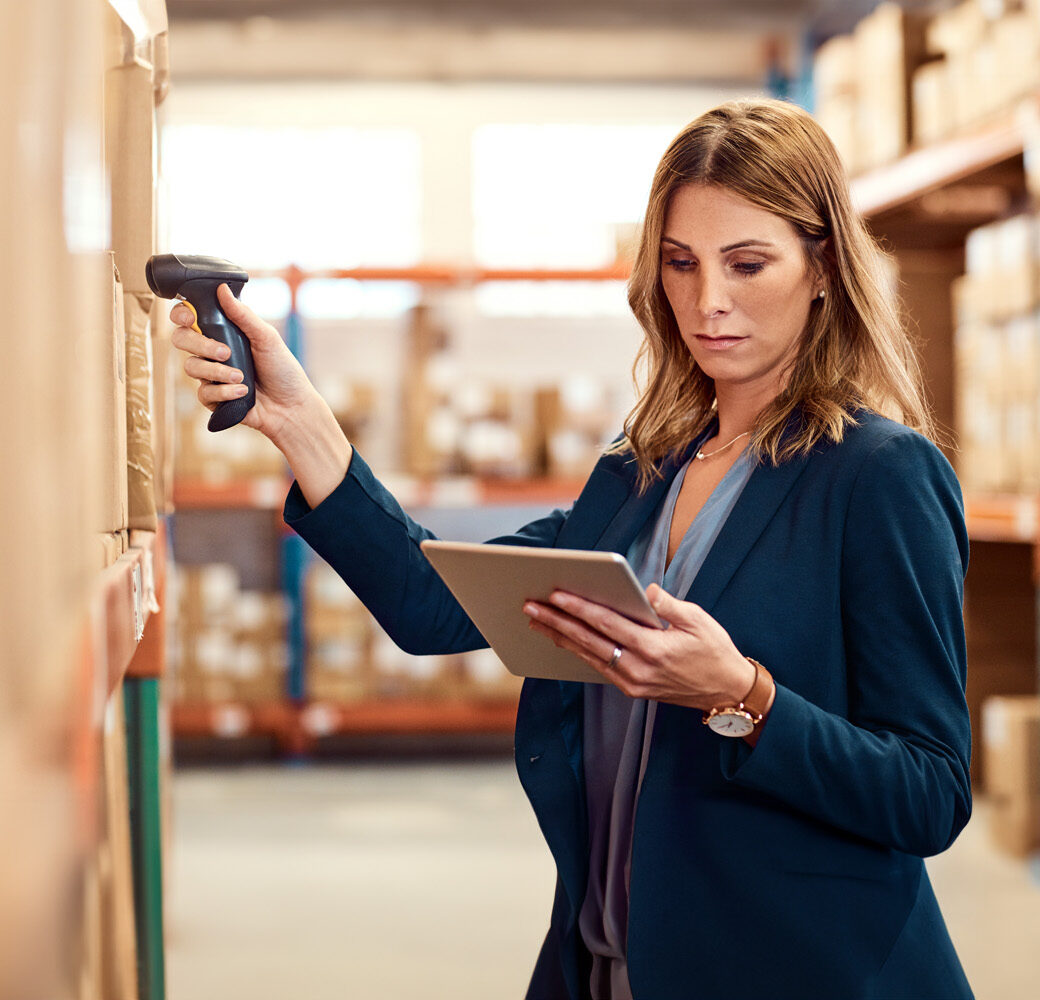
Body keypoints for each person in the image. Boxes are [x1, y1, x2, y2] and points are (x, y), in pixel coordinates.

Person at [170, 97, 974, 1000]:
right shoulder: (644, 472)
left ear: (823, 267)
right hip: (611, 969)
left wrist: (742, 696)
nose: (708, 301)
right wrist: (301, 422)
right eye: (680, 264)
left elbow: (929, 791)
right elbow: (435, 604)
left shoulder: (878, 476)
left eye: (748, 264)